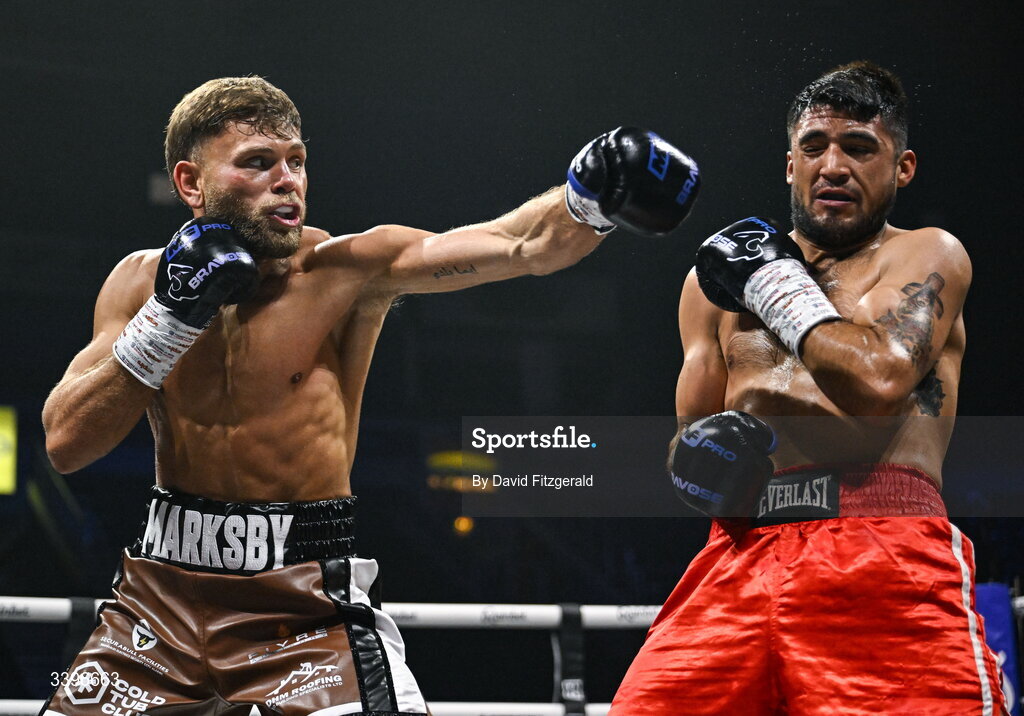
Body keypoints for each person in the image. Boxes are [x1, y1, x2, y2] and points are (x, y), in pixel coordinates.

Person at [40, 77, 700, 715]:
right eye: (258, 162)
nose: (287, 181)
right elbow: (66, 443)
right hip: (161, 599)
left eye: (296, 161)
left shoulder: (346, 271)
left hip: (301, 603)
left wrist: (587, 196)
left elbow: (519, 244)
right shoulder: (138, 285)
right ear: (191, 183)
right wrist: (173, 315)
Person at [610, 62, 1008, 715]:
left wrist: (774, 284)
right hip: (739, 556)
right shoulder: (709, 290)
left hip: (883, 550)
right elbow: (691, 451)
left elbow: (880, 379)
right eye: (814, 147)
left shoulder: (927, 256)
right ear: (789, 165)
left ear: (902, 168)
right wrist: (703, 459)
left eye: (859, 148)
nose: (833, 166)